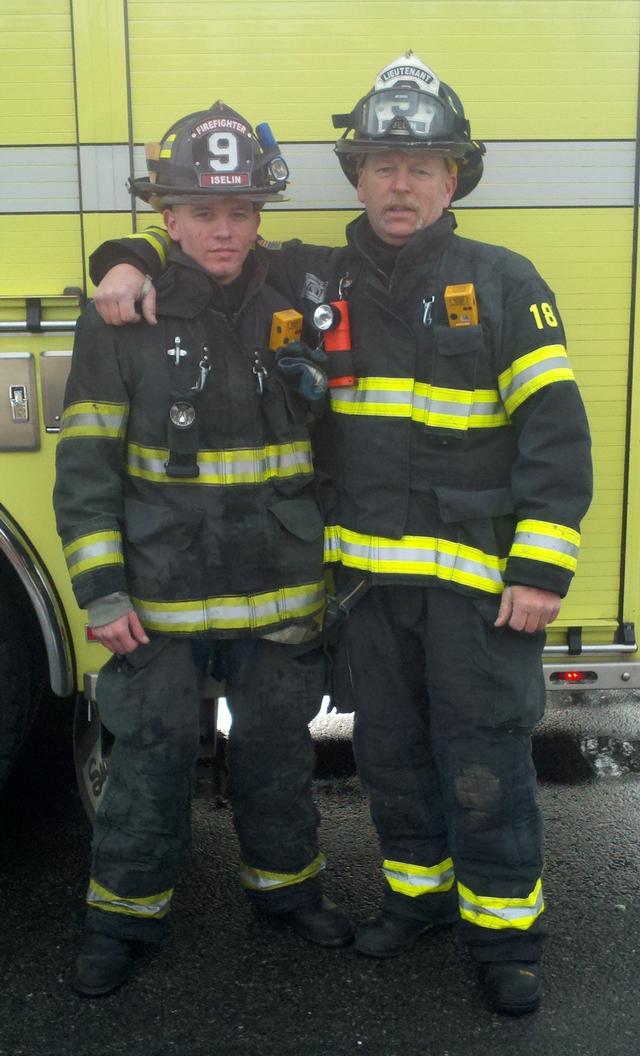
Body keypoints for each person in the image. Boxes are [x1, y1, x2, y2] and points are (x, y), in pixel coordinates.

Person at [87, 53, 593, 1015]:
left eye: (424, 167)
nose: (400, 184)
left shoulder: (504, 281)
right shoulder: (318, 275)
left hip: (480, 589)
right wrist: (126, 256)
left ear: (456, 180)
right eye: (382, 166)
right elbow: (197, 241)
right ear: (355, 175)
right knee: (392, 754)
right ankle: (419, 902)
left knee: (482, 756)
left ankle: (505, 936)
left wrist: (540, 563)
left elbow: (557, 435)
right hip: (365, 588)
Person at [53, 100, 355, 999]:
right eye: (200, 213)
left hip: (276, 584)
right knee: (148, 756)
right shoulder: (122, 313)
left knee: (276, 750)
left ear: (260, 215)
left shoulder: (301, 290)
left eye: (239, 212)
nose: (223, 231)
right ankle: (121, 921)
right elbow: (86, 467)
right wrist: (101, 593)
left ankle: (287, 892)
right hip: (162, 593)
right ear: (166, 217)